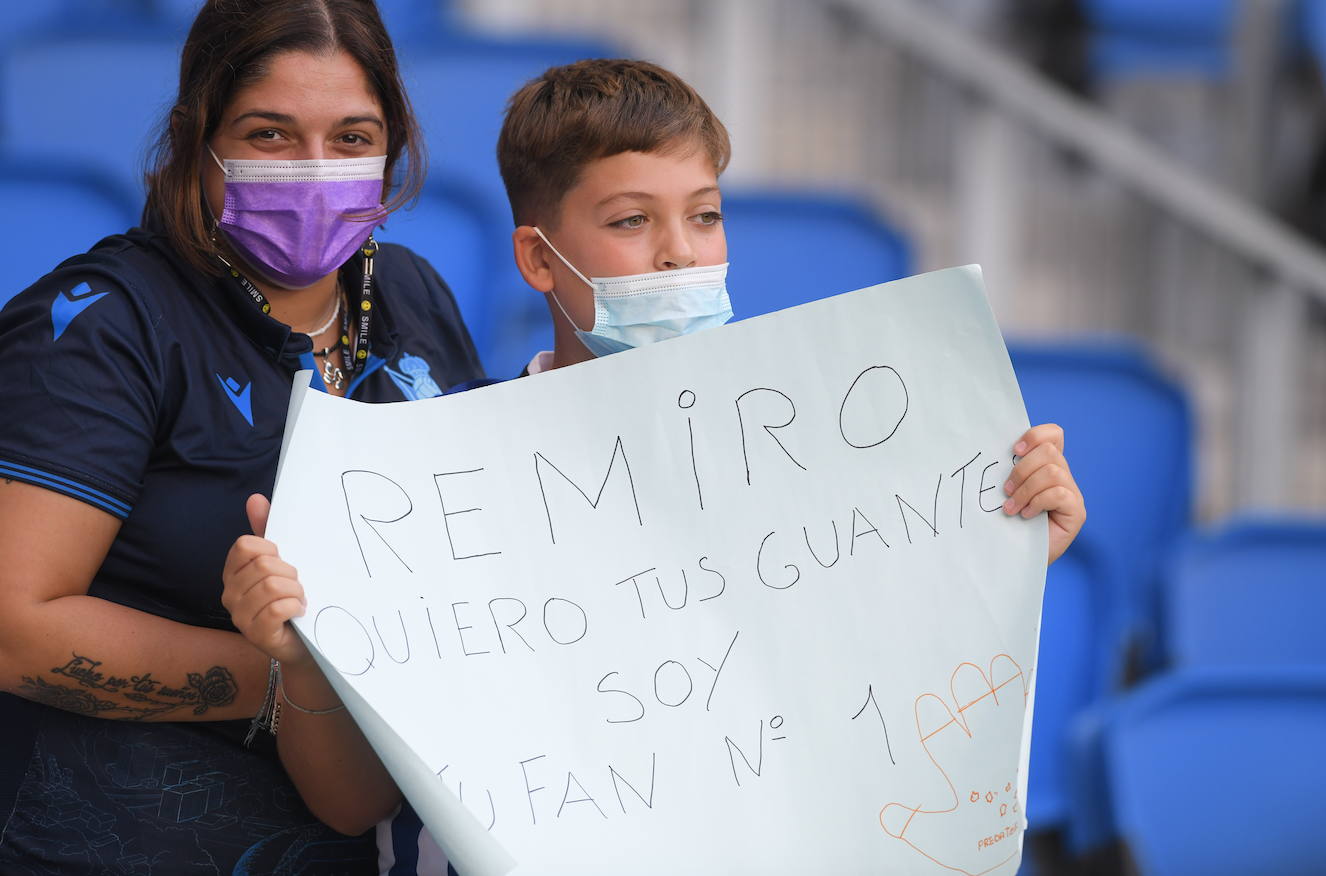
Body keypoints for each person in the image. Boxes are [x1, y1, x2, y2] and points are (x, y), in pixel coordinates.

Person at [221, 58, 1087, 874]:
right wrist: (298, 660)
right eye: (631, 221)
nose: (679, 251)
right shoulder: (418, 486)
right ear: (535, 259)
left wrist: (999, 558)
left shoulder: (823, 471)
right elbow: (349, 804)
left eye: (704, 215)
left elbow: (871, 704)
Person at [0, 0, 483, 872]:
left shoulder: (414, 293)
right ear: (197, 140)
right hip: (126, 840)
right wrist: (289, 682)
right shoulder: (102, 324)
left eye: (352, 137)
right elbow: (14, 627)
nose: (316, 171)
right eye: (271, 134)